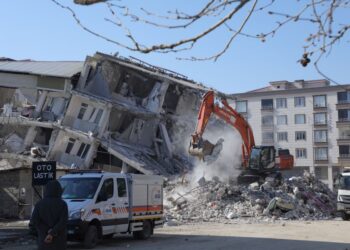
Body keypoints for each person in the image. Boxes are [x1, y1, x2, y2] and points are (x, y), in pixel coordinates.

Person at [30, 180, 68, 250]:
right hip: (59, 241)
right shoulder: (63, 204)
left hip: (44, 239)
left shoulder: (39, 204)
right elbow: (63, 221)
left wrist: (46, 233)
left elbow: (34, 221)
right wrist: (52, 232)